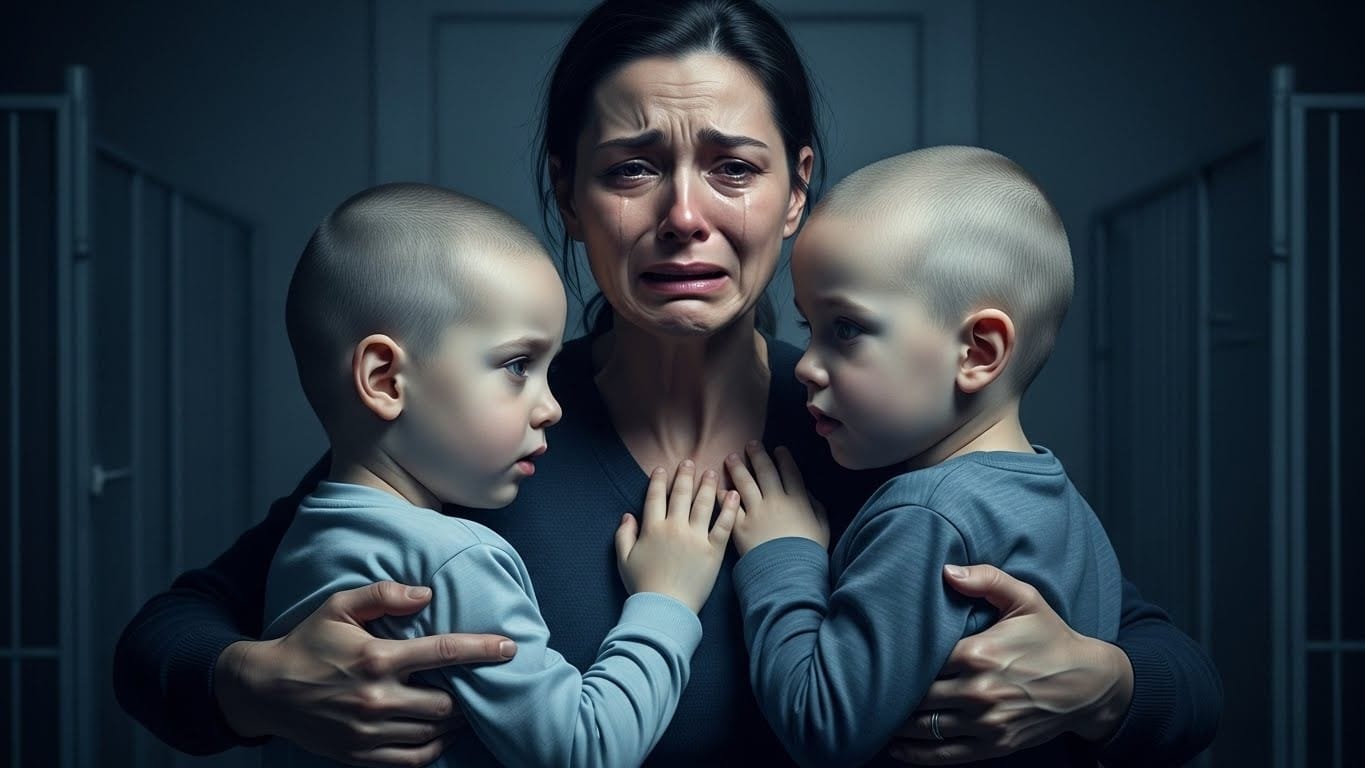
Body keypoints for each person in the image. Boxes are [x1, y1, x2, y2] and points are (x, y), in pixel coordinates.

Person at [113, 2, 1222, 766]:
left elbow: (1184, 681)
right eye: (632, 167)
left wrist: (1105, 689)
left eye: (733, 167)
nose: (684, 215)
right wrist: (252, 685)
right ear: (569, 192)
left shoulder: (900, 431)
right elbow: (162, 639)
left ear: (797, 191)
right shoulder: (464, 433)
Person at [261, 182, 738, 767]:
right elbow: (584, 750)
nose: (552, 407)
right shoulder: (452, 560)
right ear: (385, 379)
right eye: (518, 366)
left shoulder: (306, 540)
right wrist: (666, 601)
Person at [723, 146, 1125, 766]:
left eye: (846, 329)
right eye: (809, 328)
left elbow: (820, 726)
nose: (804, 364)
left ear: (978, 352)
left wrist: (783, 555)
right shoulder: (1067, 507)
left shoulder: (927, 516)